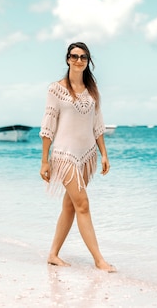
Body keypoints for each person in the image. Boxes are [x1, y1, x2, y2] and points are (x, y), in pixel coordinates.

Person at [39, 41, 116, 272]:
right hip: (64, 155)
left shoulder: (93, 92)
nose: (79, 60)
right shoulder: (56, 89)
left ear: (88, 61)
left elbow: (97, 125)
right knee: (82, 204)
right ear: (67, 59)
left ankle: (53, 254)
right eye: (74, 56)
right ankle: (99, 260)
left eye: (83, 57)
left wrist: (104, 154)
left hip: (87, 155)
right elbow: (48, 124)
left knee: (70, 207)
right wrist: (45, 160)